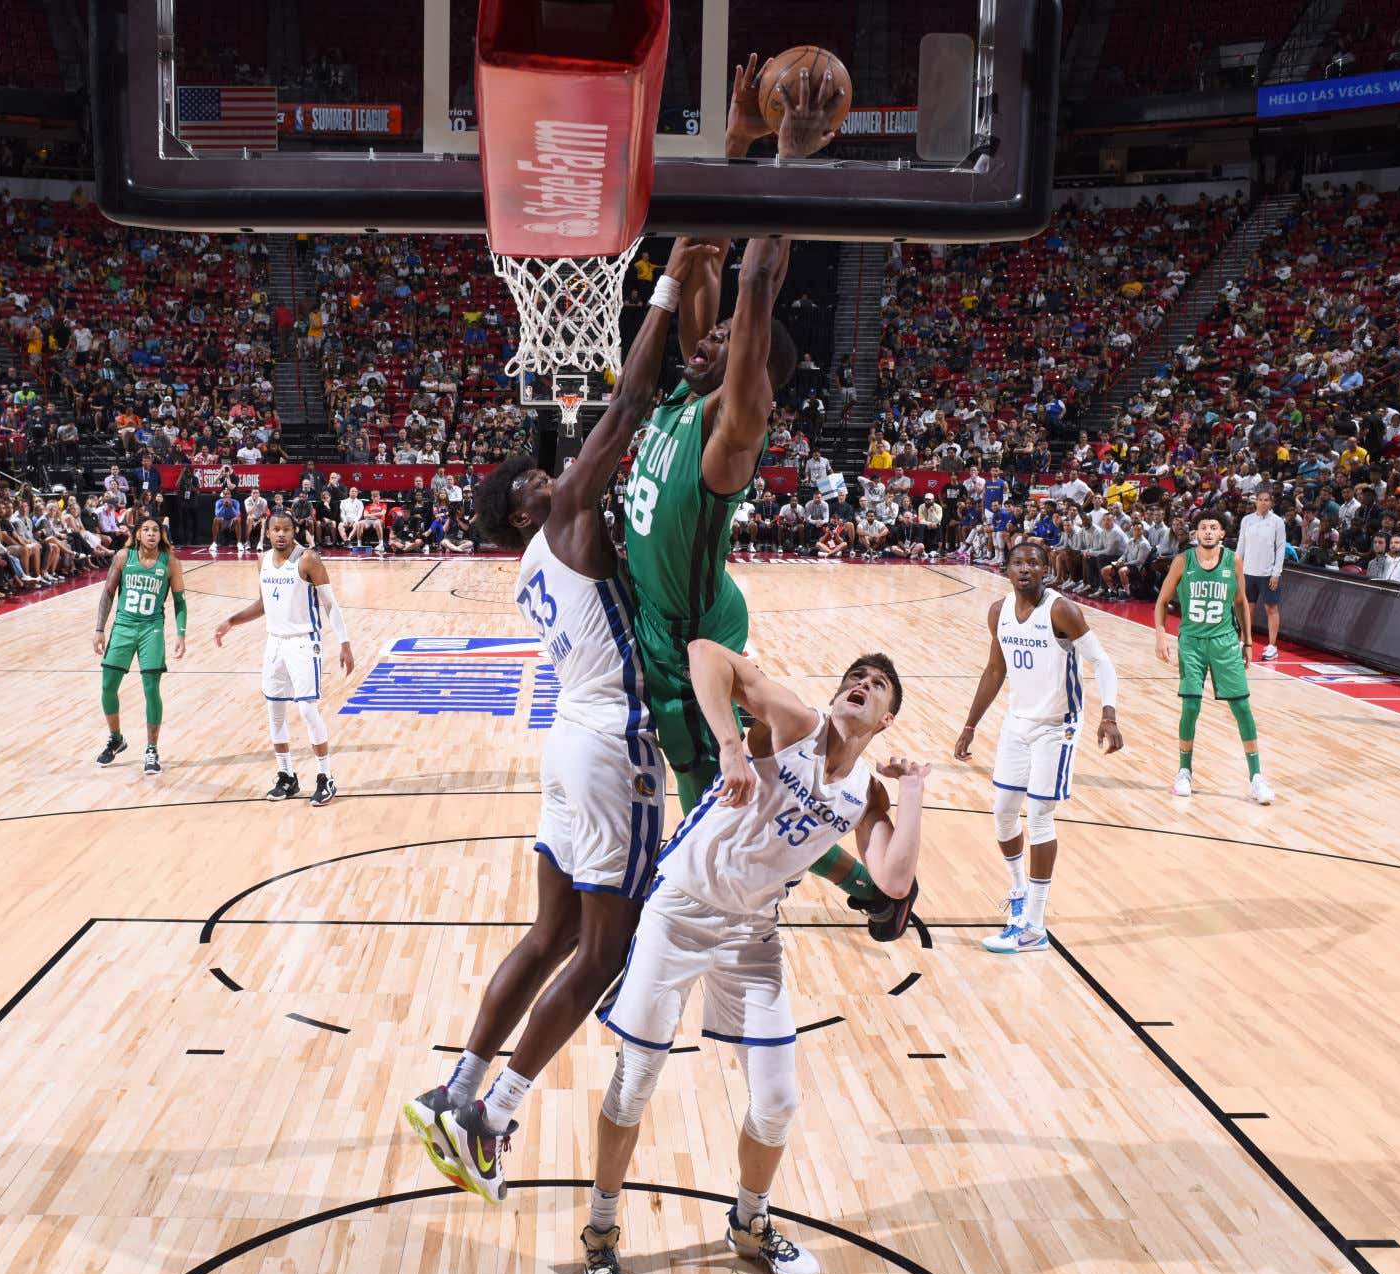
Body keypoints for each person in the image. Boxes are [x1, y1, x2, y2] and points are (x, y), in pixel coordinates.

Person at [403, 239, 716, 1206]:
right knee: (603, 951)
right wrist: (658, 292)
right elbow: (624, 408)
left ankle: (454, 1084)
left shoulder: (538, 565)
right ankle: (491, 1112)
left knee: (547, 936)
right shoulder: (565, 521)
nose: (547, 474)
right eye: (531, 479)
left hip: (566, 742)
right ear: (522, 509)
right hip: (612, 741)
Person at [580, 642, 926, 1274]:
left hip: (752, 932)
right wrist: (732, 746)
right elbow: (707, 652)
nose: (863, 682)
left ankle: (750, 1221)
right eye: (855, 674)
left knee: (777, 1099)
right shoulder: (796, 722)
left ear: (887, 718)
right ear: (836, 694)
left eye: (879, 683)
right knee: (636, 1080)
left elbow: (891, 880)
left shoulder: (867, 792)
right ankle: (600, 1233)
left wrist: (912, 794)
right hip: (679, 909)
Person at [617, 66, 886, 916]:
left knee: (726, 799)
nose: (710, 338)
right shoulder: (688, 391)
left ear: (750, 376)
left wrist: (790, 160)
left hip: (693, 625)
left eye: (728, 341)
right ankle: (867, 890)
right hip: (674, 614)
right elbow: (702, 263)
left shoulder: (731, 433)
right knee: (728, 795)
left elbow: (754, 284)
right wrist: (732, 146)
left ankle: (865, 887)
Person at [953, 541, 1122, 954]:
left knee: (1041, 815)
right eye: (1017, 562)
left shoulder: (1062, 611)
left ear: (1046, 569)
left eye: (1033, 562)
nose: (1024, 568)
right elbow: (995, 669)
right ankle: (1018, 892)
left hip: (1057, 727)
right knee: (1003, 814)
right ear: (1006, 568)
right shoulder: (998, 611)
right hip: (1018, 722)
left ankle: (1035, 926)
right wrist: (970, 724)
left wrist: (1109, 715)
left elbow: (1101, 663)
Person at [213, 515, 355, 804]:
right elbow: (265, 604)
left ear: (294, 532)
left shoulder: (308, 560)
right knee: (275, 711)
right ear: (267, 532)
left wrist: (345, 643)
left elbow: (330, 604)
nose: (281, 534)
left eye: (286, 530)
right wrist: (232, 620)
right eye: (276, 529)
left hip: (304, 642)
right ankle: (287, 776)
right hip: (274, 643)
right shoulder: (262, 561)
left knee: (306, 709)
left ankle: (325, 777)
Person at [1154, 513, 1274, 804]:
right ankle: (1184, 771)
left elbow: (1241, 602)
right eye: (1203, 528)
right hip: (1192, 642)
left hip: (1224, 642)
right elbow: (1161, 601)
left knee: (1242, 708)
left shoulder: (1233, 560)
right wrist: (1160, 634)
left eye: (1213, 528)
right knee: (1191, 706)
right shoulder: (1183, 561)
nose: (1208, 532)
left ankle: (1256, 777)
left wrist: (1247, 642)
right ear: (1196, 533)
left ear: (1222, 533)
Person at [91, 517, 187, 775]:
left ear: (162, 535)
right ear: (138, 534)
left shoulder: (171, 563)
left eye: (156, 530)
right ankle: (116, 739)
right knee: (108, 686)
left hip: (151, 629)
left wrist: (181, 634)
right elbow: (108, 593)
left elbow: (179, 602)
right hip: (123, 627)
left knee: (151, 689)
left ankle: (152, 749)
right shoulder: (124, 557)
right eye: (146, 529)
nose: (151, 534)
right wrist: (99, 629)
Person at [1236, 489, 1287, 660]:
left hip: (1267, 574)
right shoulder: (1247, 520)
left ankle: (1272, 646)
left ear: (1271, 502)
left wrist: (1276, 573)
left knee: (1271, 609)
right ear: (1255, 501)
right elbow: (1241, 545)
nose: (1263, 502)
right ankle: (1244, 642)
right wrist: (1237, 568)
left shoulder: (1277, 522)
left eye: (1267, 500)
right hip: (1248, 572)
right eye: (1260, 499)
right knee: (1247, 609)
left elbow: (1281, 548)